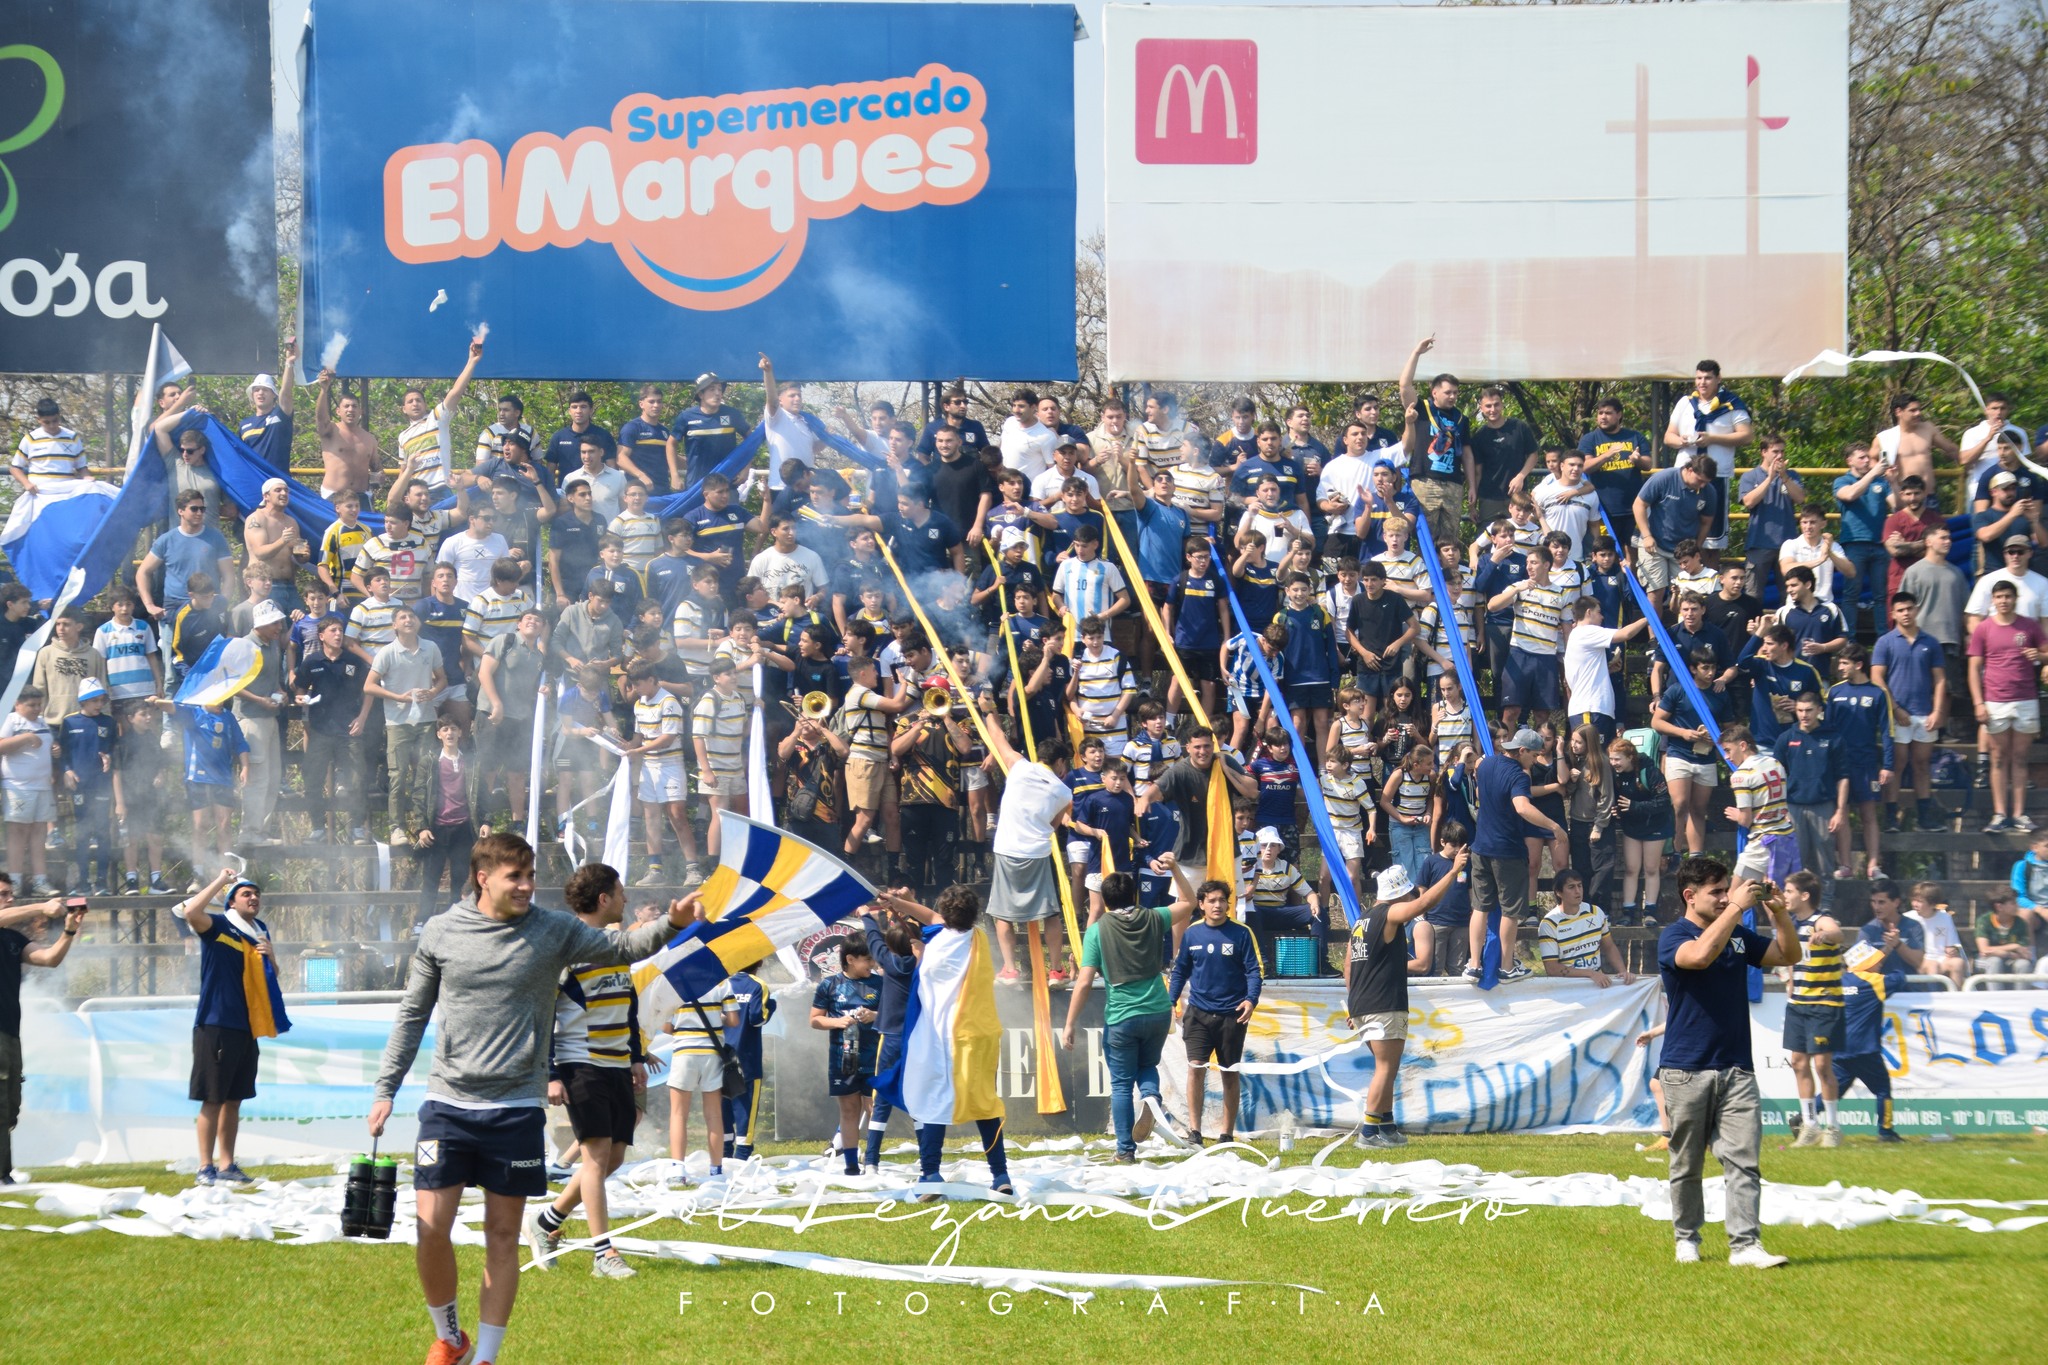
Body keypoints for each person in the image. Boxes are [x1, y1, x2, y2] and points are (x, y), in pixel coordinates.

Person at [372, 834, 715, 1363]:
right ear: (483, 877)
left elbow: (621, 948)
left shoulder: (553, 930)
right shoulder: (441, 932)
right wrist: (385, 1089)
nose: (529, 886)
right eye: (516, 876)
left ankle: (485, 1357)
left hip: (516, 1108)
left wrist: (670, 923)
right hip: (448, 1104)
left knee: (503, 1234)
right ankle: (450, 1336)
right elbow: (412, 1015)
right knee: (431, 1228)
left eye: (532, 875)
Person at [1657, 855, 1801, 1267]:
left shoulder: (1737, 934)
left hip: (1737, 1066)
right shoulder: (1673, 936)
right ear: (1690, 896)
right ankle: (1687, 1238)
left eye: (1726, 890)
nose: (1724, 898)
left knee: (1744, 1160)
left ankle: (1745, 1246)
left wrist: (1778, 915)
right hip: (1686, 1070)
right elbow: (1699, 957)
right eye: (1716, 892)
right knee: (1686, 1163)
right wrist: (1738, 905)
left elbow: (1788, 956)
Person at [525, 864, 657, 1279]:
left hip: (617, 1064)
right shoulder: (565, 950)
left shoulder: (616, 946)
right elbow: (542, 1014)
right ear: (604, 899)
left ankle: (546, 1222)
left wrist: (635, 1056)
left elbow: (628, 1002)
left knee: (613, 1157)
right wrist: (550, 1073)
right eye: (621, 892)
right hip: (581, 1064)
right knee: (596, 1157)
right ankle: (605, 1254)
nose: (626, 899)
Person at [177, 867, 290, 1186]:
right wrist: (221, 881)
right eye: (246, 893)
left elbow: (271, 978)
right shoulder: (218, 925)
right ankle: (204, 1166)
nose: (254, 897)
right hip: (215, 1023)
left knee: (234, 1099)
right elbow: (190, 911)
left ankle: (227, 1165)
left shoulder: (259, 932)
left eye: (256, 894)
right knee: (213, 1098)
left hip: (246, 1026)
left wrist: (272, 956)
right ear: (230, 902)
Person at [1346, 856, 1467, 1147]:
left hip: (1362, 1003)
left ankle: (1386, 1126)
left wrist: (1352, 1005)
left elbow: (1348, 965)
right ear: (1397, 894)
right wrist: (1451, 873)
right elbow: (1423, 906)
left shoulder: (1361, 921)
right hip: (1384, 1002)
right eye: (1409, 893)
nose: (1413, 897)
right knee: (1386, 1067)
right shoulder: (1388, 914)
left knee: (1386, 1066)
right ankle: (1368, 1132)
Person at [1061, 870, 1176, 1160]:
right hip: (1159, 1010)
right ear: (1135, 894)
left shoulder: (1098, 931)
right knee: (1149, 1064)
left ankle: (1125, 1150)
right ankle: (1151, 1098)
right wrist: (1176, 870)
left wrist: (1070, 1022)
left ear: (1104, 899)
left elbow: (1085, 981)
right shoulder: (1154, 917)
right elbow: (1187, 901)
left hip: (1123, 1015)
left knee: (1122, 1084)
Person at [1168, 878, 1260, 1146]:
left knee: (1229, 1073)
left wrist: (1251, 1000)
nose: (1218, 905)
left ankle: (1226, 1135)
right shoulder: (1192, 934)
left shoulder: (1242, 933)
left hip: (1232, 1015)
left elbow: (1255, 971)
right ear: (1201, 905)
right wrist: (1169, 1001)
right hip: (1198, 1014)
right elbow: (1180, 970)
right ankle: (1195, 1132)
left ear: (1228, 904)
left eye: (1222, 900)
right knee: (1196, 1068)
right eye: (1212, 901)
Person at [0, 880, 82, 1182]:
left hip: (9, 1031)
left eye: (10, 894)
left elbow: (49, 959)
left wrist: (69, 930)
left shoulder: (11, 937)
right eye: (2, 895)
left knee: (10, 1105)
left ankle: (3, 1172)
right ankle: (2, 1175)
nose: (9, 899)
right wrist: (40, 907)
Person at [1468, 728, 1564, 982]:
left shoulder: (1486, 764)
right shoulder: (1519, 776)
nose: (1534, 761)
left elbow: (1479, 792)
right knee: (1511, 912)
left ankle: (1474, 964)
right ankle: (1507, 966)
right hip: (1507, 851)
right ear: (1521, 751)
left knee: (1480, 908)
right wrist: (1554, 827)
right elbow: (1522, 807)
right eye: (1533, 755)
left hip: (1480, 847)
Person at [984, 719, 1074, 985]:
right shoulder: (1064, 791)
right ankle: (1056, 970)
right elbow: (1053, 827)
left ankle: (1010, 970)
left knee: (1002, 913)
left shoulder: (1018, 767)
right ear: (1059, 762)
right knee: (1050, 913)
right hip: (1036, 853)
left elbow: (998, 737)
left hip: (1007, 850)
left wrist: (988, 711)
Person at [1966, 579, 2047, 833]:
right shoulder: (1984, 628)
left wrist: (2040, 656)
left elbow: (2046, 652)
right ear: (1993, 600)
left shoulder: (2029, 625)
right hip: (1995, 700)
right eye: (1999, 597)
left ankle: (2019, 814)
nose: (2003, 601)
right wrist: (1978, 702)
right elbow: (1974, 668)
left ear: (2015, 599)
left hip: (2025, 698)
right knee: (1998, 758)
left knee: (2020, 758)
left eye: (2007, 596)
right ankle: (2000, 814)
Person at [1776, 870, 1845, 1147]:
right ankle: (1810, 1125)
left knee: (1822, 1065)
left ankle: (1833, 1127)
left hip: (1823, 1003)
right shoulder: (1791, 923)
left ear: (1805, 895)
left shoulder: (1821, 919)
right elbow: (1792, 957)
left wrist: (1825, 936)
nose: (1786, 895)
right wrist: (1790, 981)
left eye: (1789, 891)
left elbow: (1837, 933)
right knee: (1798, 1063)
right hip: (1799, 1004)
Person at [1870, 591, 1949, 833]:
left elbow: (1940, 680)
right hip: (1897, 716)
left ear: (1916, 610)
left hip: (1925, 713)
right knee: (1897, 765)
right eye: (1901, 610)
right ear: (1893, 614)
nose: (1906, 613)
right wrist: (1895, 708)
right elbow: (1877, 677)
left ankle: (1924, 818)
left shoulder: (1931, 642)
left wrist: (1937, 712)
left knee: (1922, 764)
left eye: (1909, 609)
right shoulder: (1885, 642)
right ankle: (1891, 818)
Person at [1662, 361, 1752, 554]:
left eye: (1708, 378)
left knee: (1712, 539)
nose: (1702, 382)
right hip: (1684, 476)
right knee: (1678, 532)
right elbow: (1668, 436)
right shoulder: (1685, 403)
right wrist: (1682, 442)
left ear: (1718, 379)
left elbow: (1747, 436)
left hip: (1715, 477)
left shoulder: (1732, 404)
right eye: (1699, 378)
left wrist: (1713, 439)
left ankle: (1709, 580)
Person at [811, 933, 881, 1177]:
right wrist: (838, 1021)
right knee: (849, 1111)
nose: (872, 964)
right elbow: (815, 1020)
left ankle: (872, 1161)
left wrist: (875, 1017)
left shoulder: (880, 983)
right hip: (844, 1058)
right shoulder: (829, 985)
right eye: (867, 959)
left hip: (874, 1058)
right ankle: (851, 1165)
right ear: (850, 959)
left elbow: (895, 1018)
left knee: (874, 1108)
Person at [1631, 456, 1716, 607]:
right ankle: (1655, 631)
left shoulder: (1709, 491)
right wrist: (1647, 535)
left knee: (1688, 594)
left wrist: (1697, 546)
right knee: (1655, 593)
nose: (1702, 485)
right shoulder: (1664, 478)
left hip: (1684, 549)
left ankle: (1684, 629)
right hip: (1654, 544)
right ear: (1690, 470)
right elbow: (1639, 505)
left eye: (1706, 482)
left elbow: (1706, 521)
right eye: (1700, 480)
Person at [138, 492, 236, 623]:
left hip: (208, 606)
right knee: (171, 644)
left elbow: (229, 575)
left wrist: (223, 603)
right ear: (180, 511)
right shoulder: (166, 540)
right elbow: (142, 572)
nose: (199, 513)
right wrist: (149, 605)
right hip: (175, 608)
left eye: (202, 509)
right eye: (194, 509)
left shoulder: (216, 538)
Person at [0, 686, 58, 897]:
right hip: (18, 786)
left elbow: (44, 745)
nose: (36, 709)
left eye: (38, 705)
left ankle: (40, 881)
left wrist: (55, 749)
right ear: (18, 704)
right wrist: (25, 738)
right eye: (31, 705)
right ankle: (13, 883)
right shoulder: (11, 720)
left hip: (42, 785)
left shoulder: (41, 721)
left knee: (39, 834)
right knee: (17, 834)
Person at [1537, 867, 1633, 986]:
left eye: (1580, 886)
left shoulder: (1596, 912)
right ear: (1558, 892)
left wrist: (1623, 971)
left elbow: (1609, 946)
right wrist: (1589, 973)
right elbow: (1552, 969)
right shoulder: (1549, 923)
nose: (1577, 891)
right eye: (1571, 887)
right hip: (1567, 988)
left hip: (1597, 984)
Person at [11, 397, 91, 493]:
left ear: (59, 417)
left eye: (55, 421)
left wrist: (88, 479)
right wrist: (27, 484)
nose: (52, 425)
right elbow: (15, 468)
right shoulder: (30, 439)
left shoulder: (72, 437)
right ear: (39, 420)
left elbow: (81, 467)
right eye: (47, 422)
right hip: (39, 494)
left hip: (67, 493)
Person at [1973, 890, 2035, 985]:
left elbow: (2025, 953)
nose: (2017, 906)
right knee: (1995, 961)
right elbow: (1984, 950)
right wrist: (2013, 947)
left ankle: (2022, 998)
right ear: (1999, 907)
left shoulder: (2021, 923)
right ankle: (1995, 998)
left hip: (2012, 959)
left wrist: (2002, 953)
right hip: (1984, 960)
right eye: (2013, 903)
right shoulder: (1984, 921)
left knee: (2023, 964)